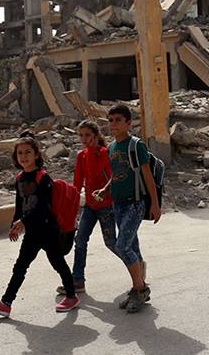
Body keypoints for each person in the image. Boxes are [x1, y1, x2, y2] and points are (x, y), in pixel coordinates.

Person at [0, 133, 79, 318]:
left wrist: (23, 222)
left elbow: (43, 207)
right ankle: (6, 303)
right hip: (32, 232)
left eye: (28, 152)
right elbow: (20, 204)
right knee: (20, 266)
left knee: (58, 263)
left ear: (36, 154)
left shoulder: (43, 178)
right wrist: (14, 224)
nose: (24, 156)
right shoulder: (20, 178)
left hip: (48, 229)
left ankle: (72, 296)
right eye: (20, 153)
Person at [103, 103, 161, 313]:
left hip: (135, 203)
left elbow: (147, 175)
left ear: (128, 123)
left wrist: (154, 204)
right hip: (117, 204)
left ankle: (140, 289)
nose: (114, 124)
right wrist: (105, 189)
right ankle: (138, 287)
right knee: (132, 247)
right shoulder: (111, 148)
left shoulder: (136, 145)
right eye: (110, 120)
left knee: (122, 246)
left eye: (118, 120)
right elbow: (116, 174)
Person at [55, 120, 119, 295]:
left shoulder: (105, 153)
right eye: (81, 135)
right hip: (90, 206)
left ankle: (135, 263)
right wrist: (71, 209)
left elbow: (109, 176)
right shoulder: (82, 156)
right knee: (80, 240)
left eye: (88, 135)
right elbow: (77, 184)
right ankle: (78, 281)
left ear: (96, 136)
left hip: (106, 206)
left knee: (112, 243)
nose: (84, 139)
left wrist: (93, 150)